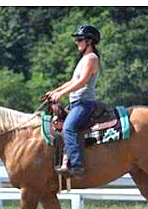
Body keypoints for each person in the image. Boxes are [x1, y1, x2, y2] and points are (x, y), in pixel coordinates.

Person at [45, 25, 101, 177]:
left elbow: (82, 82)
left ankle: (77, 165)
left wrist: (62, 94)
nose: (77, 42)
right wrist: (55, 91)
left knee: (69, 128)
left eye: (79, 39)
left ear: (89, 41)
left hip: (84, 103)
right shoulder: (83, 59)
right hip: (76, 103)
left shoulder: (91, 58)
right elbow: (72, 81)